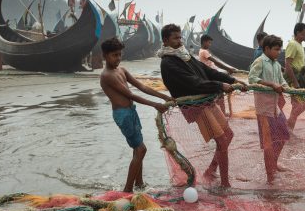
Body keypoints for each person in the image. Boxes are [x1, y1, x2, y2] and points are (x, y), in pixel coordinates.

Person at [159, 24, 247, 188]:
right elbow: (193, 83)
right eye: (175, 38)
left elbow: (207, 71)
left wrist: (232, 80)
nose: (180, 40)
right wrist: (220, 86)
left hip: (207, 101)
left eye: (180, 37)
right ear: (165, 40)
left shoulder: (184, 55)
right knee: (221, 141)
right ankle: (225, 184)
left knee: (229, 135)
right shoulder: (168, 63)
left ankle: (211, 170)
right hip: (195, 106)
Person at [100, 38, 171, 192]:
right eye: (114, 55)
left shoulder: (122, 70)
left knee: (137, 149)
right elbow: (131, 95)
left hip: (131, 111)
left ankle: (139, 184)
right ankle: (127, 190)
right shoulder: (107, 76)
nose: (118, 58)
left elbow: (141, 86)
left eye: (120, 55)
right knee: (141, 150)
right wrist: (155, 105)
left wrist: (164, 97)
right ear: (105, 56)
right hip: (123, 115)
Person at [249, 35, 291, 183]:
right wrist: (271, 85)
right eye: (276, 49)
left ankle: (274, 163)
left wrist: (286, 87)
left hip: (276, 108)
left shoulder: (277, 64)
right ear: (266, 49)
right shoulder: (259, 61)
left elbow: (282, 80)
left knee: (283, 135)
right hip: (264, 109)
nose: (279, 52)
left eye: (280, 50)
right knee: (268, 143)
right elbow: (252, 79)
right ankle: (269, 176)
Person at [284, 23, 305, 132]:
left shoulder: (299, 45)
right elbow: (287, 64)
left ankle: (289, 130)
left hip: (300, 78)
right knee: (303, 105)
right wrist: (295, 83)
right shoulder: (293, 44)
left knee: (296, 105)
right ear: (298, 33)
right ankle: (286, 126)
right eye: (304, 33)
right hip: (294, 79)